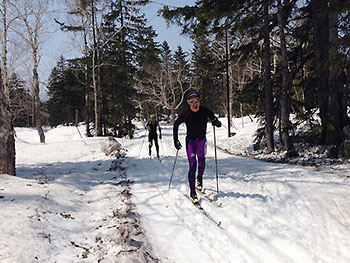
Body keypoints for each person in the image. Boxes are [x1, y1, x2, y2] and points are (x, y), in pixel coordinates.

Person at [173, 90, 221, 202]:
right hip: (191, 142)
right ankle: (192, 191)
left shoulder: (205, 111)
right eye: (192, 101)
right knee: (193, 165)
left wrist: (216, 122)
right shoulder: (185, 114)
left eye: (197, 101)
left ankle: (199, 178)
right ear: (188, 102)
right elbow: (176, 125)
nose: (195, 104)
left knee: (202, 162)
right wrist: (175, 140)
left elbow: (214, 119)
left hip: (201, 142)